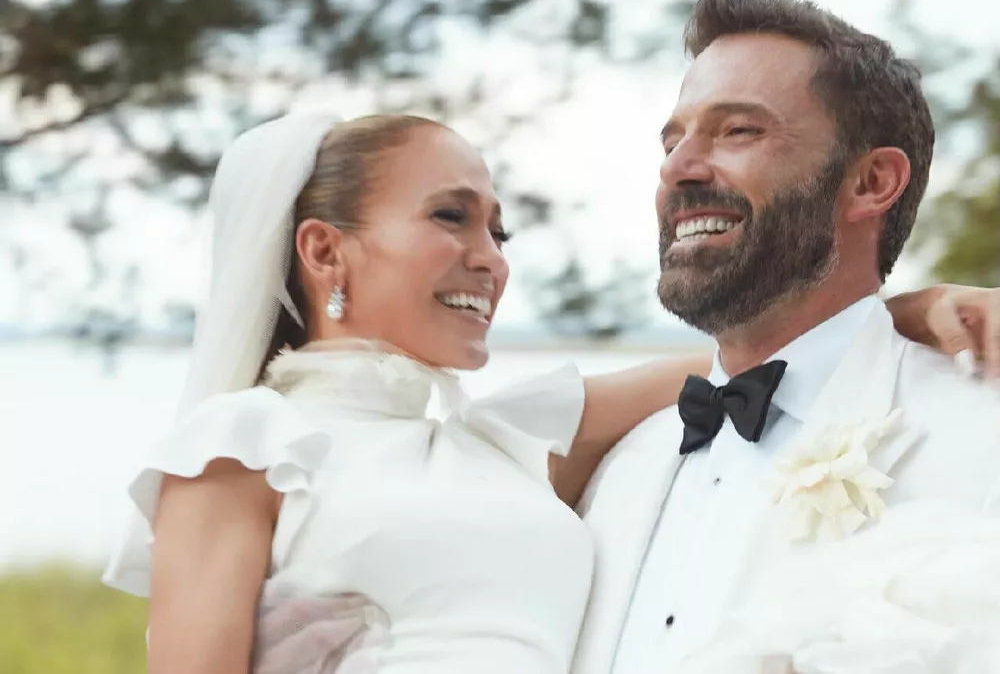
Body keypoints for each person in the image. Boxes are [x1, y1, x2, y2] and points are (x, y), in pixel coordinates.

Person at [101, 111, 997, 674]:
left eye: (499, 230)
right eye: (450, 216)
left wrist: (915, 309)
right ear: (324, 249)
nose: (490, 259)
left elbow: (751, 364)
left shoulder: (504, 442)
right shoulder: (243, 443)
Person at [571, 0, 1000, 674]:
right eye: (673, 140)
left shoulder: (981, 438)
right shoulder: (618, 471)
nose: (677, 167)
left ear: (871, 182)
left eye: (739, 131)